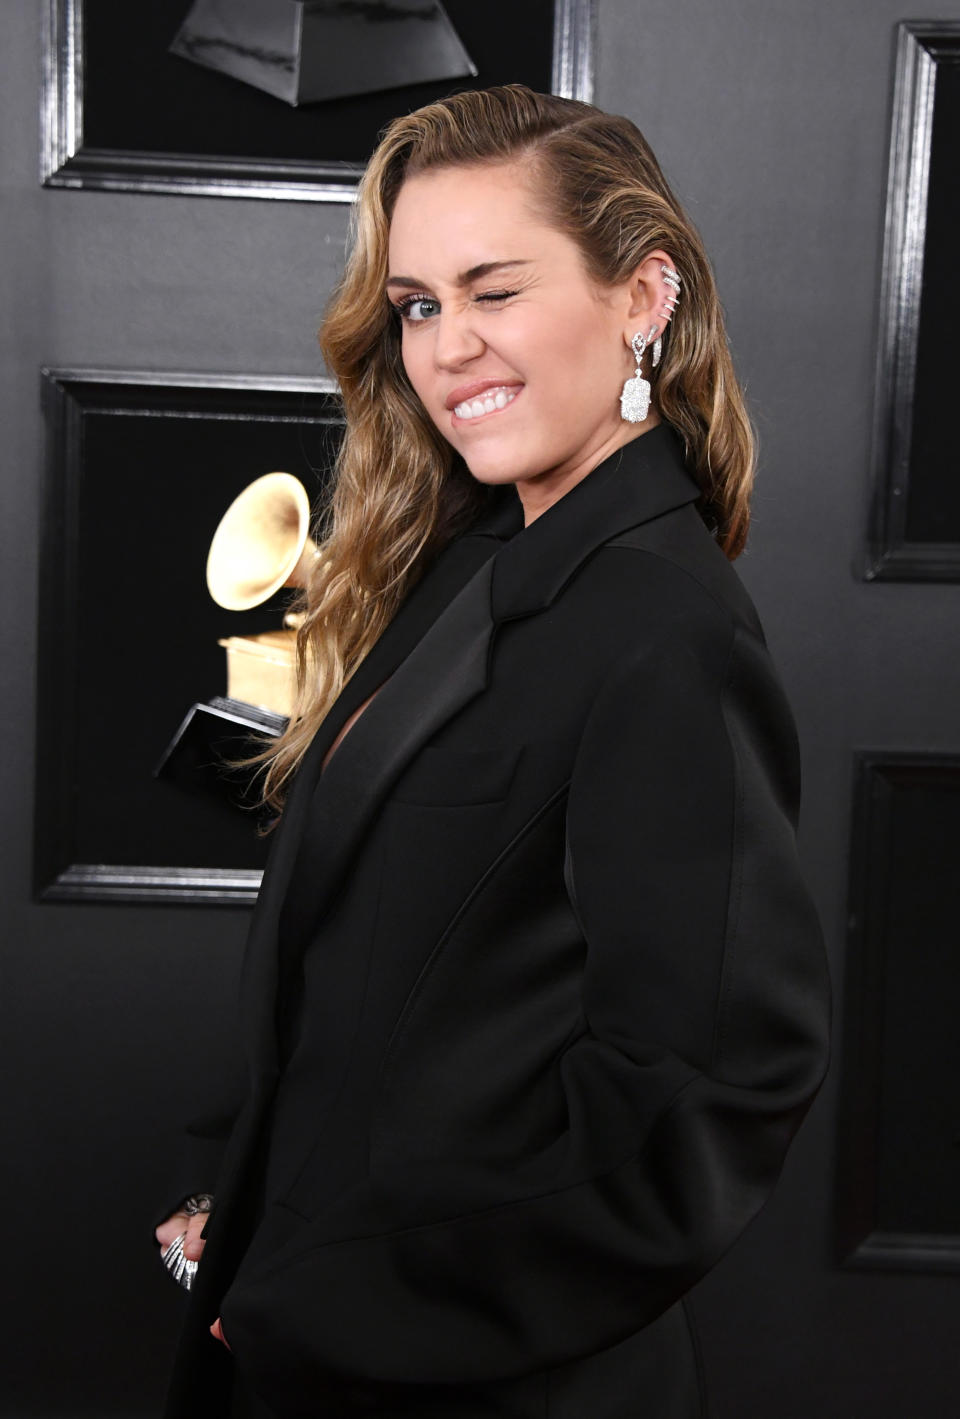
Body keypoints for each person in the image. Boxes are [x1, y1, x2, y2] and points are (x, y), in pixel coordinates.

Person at [156, 84, 830, 1419]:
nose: (449, 347)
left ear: (644, 297)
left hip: (476, 1383)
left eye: (495, 292)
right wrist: (256, 1201)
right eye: (418, 305)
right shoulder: (479, 555)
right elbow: (431, 955)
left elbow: (702, 1096)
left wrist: (333, 1293)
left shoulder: (666, 634)